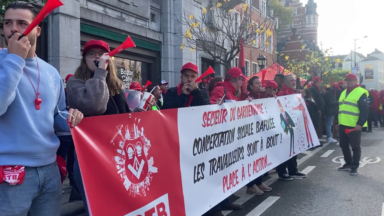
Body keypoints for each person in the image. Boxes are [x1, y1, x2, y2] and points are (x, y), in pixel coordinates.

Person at [0, 2, 84, 215]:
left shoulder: (51, 72)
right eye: (8, 23)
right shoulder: (3, 63)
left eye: (22, 23)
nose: (14, 29)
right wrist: (14, 59)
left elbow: (56, 116)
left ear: (38, 29)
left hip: (49, 171)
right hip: (9, 171)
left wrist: (72, 117)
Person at [66, 39, 131, 214]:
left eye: (100, 54)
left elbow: (124, 118)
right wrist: (101, 71)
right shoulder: (75, 82)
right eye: (91, 54)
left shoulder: (116, 86)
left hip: (116, 156)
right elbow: (94, 104)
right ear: (84, 59)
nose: (96, 57)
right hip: (90, 158)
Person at [276, 74, 307, 181]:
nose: (294, 82)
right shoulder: (282, 94)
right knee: (284, 149)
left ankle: (293, 170)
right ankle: (282, 171)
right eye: (291, 80)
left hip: (293, 124)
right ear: (285, 82)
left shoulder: (294, 94)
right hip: (285, 125)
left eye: (294, 80)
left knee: (293, 148)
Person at [338, 74, 369, 176]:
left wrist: (360, 123)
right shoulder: (344, 92)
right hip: (343, 124)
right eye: (347, 80)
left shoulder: (360, 92)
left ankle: (354, 166)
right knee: (343, 145)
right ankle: (348, 164)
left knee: (355, 147)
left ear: (356, 81)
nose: (349, 82)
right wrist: (337, 123)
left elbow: (365, 110)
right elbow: (341, 109)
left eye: (351, 80)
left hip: (353, 126)